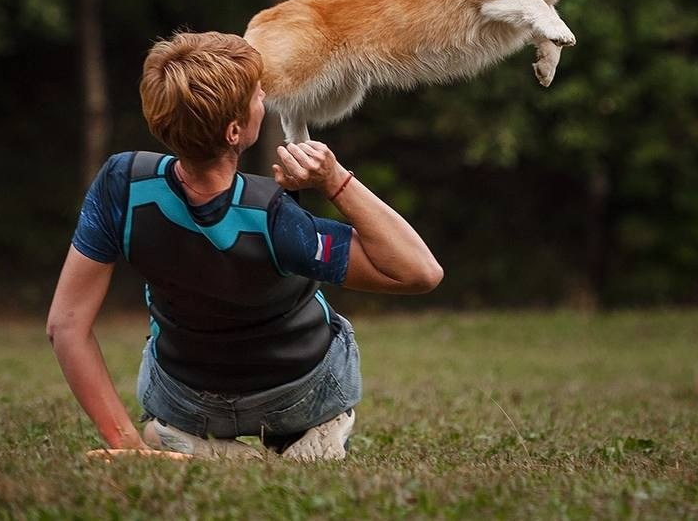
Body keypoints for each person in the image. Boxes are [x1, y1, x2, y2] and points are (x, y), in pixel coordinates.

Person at [47, 31, 442, 460]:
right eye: (258, 94)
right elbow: (420, 271)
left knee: (162, 380)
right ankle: (315, 429)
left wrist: (125, 445)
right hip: (297, 395)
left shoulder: (121, 184)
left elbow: (65, 326)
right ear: (235, 130)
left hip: (186, 402)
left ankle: (178, 439)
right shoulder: (273, 215)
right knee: (336, 332)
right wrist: (335, 180)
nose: (264, 97)